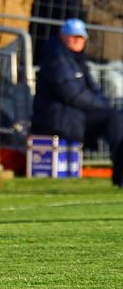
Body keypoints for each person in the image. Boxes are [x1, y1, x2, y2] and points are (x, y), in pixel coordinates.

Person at [31, 18, 123, 188]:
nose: (77, 40)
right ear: (62, 36)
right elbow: (72, 95)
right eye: (73, 36)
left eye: (80, 37)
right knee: (114, 119)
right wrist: (104, 106)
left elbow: (93, 90)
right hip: (59, 119)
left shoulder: (77, 61)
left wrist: (105, 104)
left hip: (74, 116)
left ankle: (120, 174)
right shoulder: (56, 60)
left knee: (117, 117)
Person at [79, 0, 123, 101]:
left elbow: (120, 6)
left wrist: (99, 10)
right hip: (90, 52)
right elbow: (88, 13)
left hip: (113, 54)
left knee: (116, 95)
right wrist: (112, 15)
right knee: (91, 95)